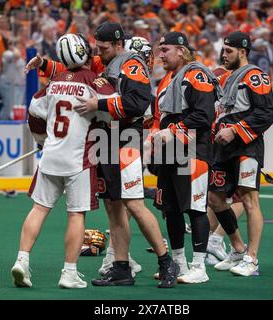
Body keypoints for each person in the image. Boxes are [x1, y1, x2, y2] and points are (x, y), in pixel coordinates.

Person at [74, 22, 179, 288]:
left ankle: (167, 261)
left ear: (118, 44)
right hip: (106, 137)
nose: (99, 52)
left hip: (126, 137)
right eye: (97, 46)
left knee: (134, 203)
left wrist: (98, 103)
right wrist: (44, 65)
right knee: (113, 205)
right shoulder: (106, 61)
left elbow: (138, 101)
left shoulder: (131, 64)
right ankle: (121, 266)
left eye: (104, 47)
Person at [10, 34, 116, 289]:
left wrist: (41, 140)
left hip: (51, 156)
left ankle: (22, 260)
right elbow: (114, 105)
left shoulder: (54, 82)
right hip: (78, 159)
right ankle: (69, 273)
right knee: (76, 214)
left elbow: (35, 109)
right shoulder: (94, 80)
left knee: (39, 209)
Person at [208, 31, 273, 277]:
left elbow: (267, 112)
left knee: (249, 200)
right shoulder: (227, 77)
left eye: (228, 51)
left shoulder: (255, 76)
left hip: (246, 147)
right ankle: (237, 248)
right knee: (215, 199)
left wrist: (235, 130)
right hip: (223, 148)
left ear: (243, 52)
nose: (223, 55)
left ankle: (252, 258)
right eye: (223, 49)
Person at [150, 31, 216, 283]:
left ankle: (199, 266)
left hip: (194, 150)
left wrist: (173, 130)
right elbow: (161, 116)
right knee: (171, 208)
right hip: (170, 151)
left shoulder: (197, 74)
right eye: (159, 49)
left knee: (196, 208)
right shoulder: (167, 79)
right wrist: (154, 134)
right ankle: (178, 263)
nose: (160, 54)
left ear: (181, 50)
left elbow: (204, 116)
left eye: (165, 49)